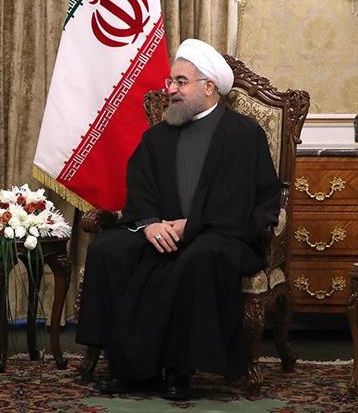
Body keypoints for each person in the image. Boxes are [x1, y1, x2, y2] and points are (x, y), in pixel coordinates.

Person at [76, 39, 281, 400]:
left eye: (180, 82)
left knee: (196, 258)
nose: (170, 89)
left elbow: (243, 198)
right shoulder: (157, 136)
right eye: (171, 81)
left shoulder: (243, 135)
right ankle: (127, 366)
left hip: (221, 233)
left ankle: (179, 369)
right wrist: (151, 223)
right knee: (109, 250)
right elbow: (140, 186)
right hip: (162, 228)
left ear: (209, 87)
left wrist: (193, 224)